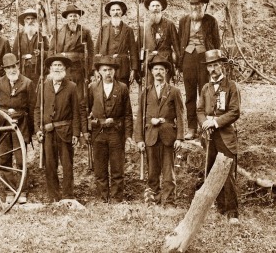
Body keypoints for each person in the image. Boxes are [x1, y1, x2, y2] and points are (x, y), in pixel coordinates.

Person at [196, 49, 241, 225]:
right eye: (210, 66)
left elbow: (234, 112)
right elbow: (199, 110)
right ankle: (218, 206)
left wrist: (215, 122)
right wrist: (204, 123)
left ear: (221, 66)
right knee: (210, 171)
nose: (213, 69)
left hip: (225, 135)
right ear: (207, 68)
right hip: (208, 137)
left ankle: (232, 212)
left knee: (226, 173)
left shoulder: (231, 86)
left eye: (216, 65)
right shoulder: (206, 88)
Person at [134, 55, 184, 206]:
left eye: (161, 69)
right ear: (151, 72)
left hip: (168, 136)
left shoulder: (174, 91)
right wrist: (139, 139)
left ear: (166, 72)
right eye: (155, 69)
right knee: (153, 172)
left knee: (168, 173)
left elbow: (181, 115)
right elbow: (140, 117)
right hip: (151, 136)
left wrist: (180, 138)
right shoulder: (145, 92)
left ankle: (169, 202)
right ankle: (153, 201)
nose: (158, 72)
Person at [34, 55, 85, 202]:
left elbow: (76, 111)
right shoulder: (44, 86)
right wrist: (38, 128)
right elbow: (37, 109)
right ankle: (53, 197)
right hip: (48, 133)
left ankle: (68, 196)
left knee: (67, 165)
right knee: (50, 165)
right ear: (50, 69)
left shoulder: (71, 87)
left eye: (60, 65)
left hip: (65, 131)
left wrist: (76, 132)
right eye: (54, 65)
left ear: (65, 69)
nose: (57, 68)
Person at [88, 55, 134, 203]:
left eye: (111, 70)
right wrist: (88, 130)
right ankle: (102, 198)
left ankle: (116, 198)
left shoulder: (122, 88)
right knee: (100, 169)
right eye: (105, 70)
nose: (108, 73)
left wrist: (128, 135)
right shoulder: (93, 87)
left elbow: (128, 114)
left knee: (117, 168)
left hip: (116, 132)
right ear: (99, 72)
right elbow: (86, 110)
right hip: (98, 133)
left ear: (115, 72)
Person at [0, 53, 36, 204]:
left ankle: (22, 190)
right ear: (4, 69)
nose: (12, 70)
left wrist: (30, 130)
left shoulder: (27, 83)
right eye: (9, 68)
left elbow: (32, 107)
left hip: (21, 124)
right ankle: (9, 189)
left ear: (18, 66)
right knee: (4, 158)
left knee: (20, 158)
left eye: (14, 66)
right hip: (3, 124)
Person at [178, 0, 220, 140]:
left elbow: (216, 43)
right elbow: (180, 42)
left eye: (199, 4)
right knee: (190, 96)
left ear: (203, 5)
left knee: (205, 94)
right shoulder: (183, 21)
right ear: (190, 6)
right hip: (188, 60)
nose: (196, 7)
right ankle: (191, 128)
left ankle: (205, 127)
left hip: (205, 60)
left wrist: (215, 64)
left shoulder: (211, 21)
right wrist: (179, 63)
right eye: (193, 5)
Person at [49, 4, 94, 101]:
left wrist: (90, 70)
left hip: (78, 69)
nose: (73, 18)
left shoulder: (85, 31)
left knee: (79, 97)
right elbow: (51, 51)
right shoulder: (58, 31)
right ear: (67, 18)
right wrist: (51, 67)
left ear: (78, 17)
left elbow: (91, 52)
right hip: (62, 69)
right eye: (70, 16)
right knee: (63, 95)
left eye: (75, 16)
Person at [95, 0, 139, 87]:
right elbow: (97, 50)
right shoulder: (103, 29)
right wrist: (95, 70)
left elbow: (133, 52)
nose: (115, 12)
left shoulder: (128, 30)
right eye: (113, 10)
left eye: (118, 10)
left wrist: (134, 70)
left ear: (122, 12)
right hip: (106, 66)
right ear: (110, 13)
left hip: (123, 67)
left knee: (123, 91)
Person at [142, 0, 180, 82]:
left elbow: (176, 46)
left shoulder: (170, 25)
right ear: (149, 8)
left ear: (161, 7)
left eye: (158, 5)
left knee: (164, 88)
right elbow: (138, 48)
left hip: (165, 60)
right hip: (150, 62)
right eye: (153, 6)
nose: (155, 8)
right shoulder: (144, 27)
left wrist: (178, 65)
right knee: (150, 88)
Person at [13, 8, 49, 88]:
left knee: (37, 91)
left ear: (36, 20)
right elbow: (14, 53)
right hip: (23, 69)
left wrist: (41, 52)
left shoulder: (42, 36)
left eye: (32, 19)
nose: (30, 21)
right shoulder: (19, 36)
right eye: (28, 19)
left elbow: (49, 52)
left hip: (38, 70)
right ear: (24, 21)